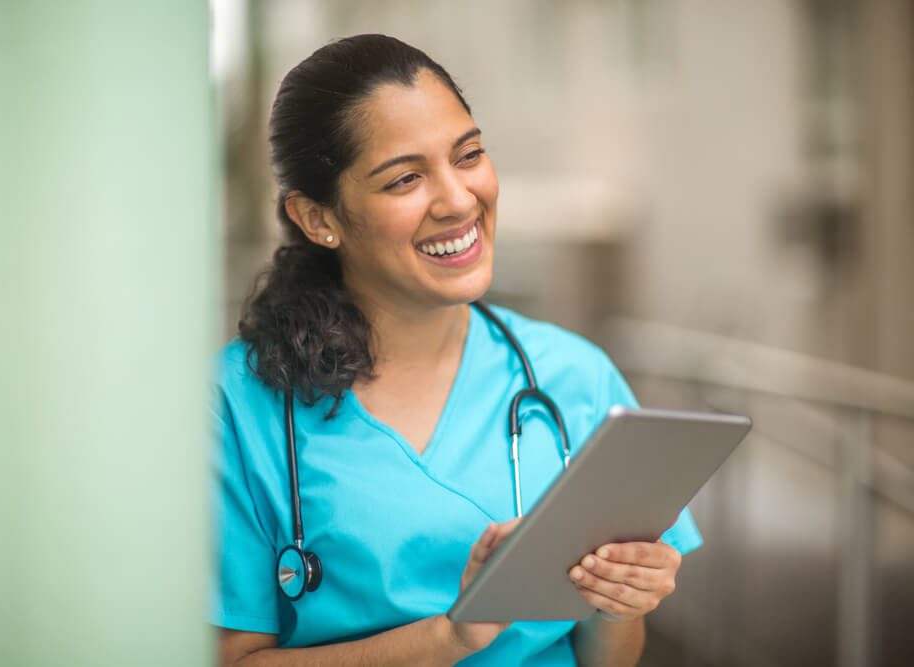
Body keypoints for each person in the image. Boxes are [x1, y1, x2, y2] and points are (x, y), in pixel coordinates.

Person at [213, 33, 702, 666]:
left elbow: (608, 658)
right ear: (317, 219)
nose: (458, 199)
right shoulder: (236, 407)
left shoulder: (577, 378)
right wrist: (448, 638)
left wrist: (620, 604)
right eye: (406, 179)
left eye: (467, 155)